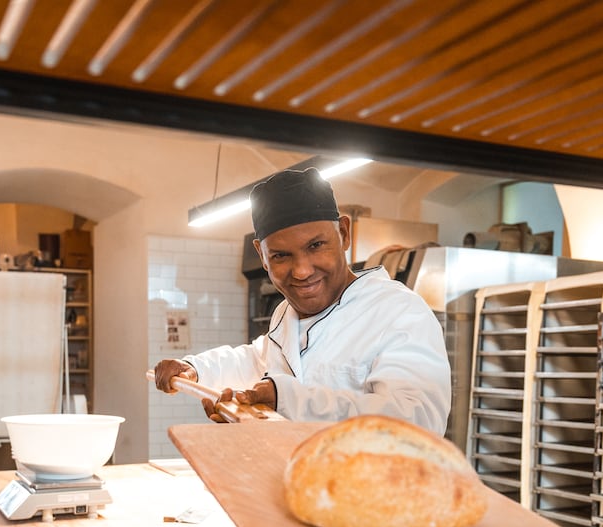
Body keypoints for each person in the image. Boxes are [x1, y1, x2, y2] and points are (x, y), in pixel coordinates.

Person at [152, 167, 451, 435]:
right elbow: (258, 359)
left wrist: (288, 401)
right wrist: (196, 369)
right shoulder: (286, 312)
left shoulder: (399, 313)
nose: (303, 271)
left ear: (344, 234)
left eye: (316, 245)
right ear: (262, 257)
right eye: (281, 255)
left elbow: (416, 423)